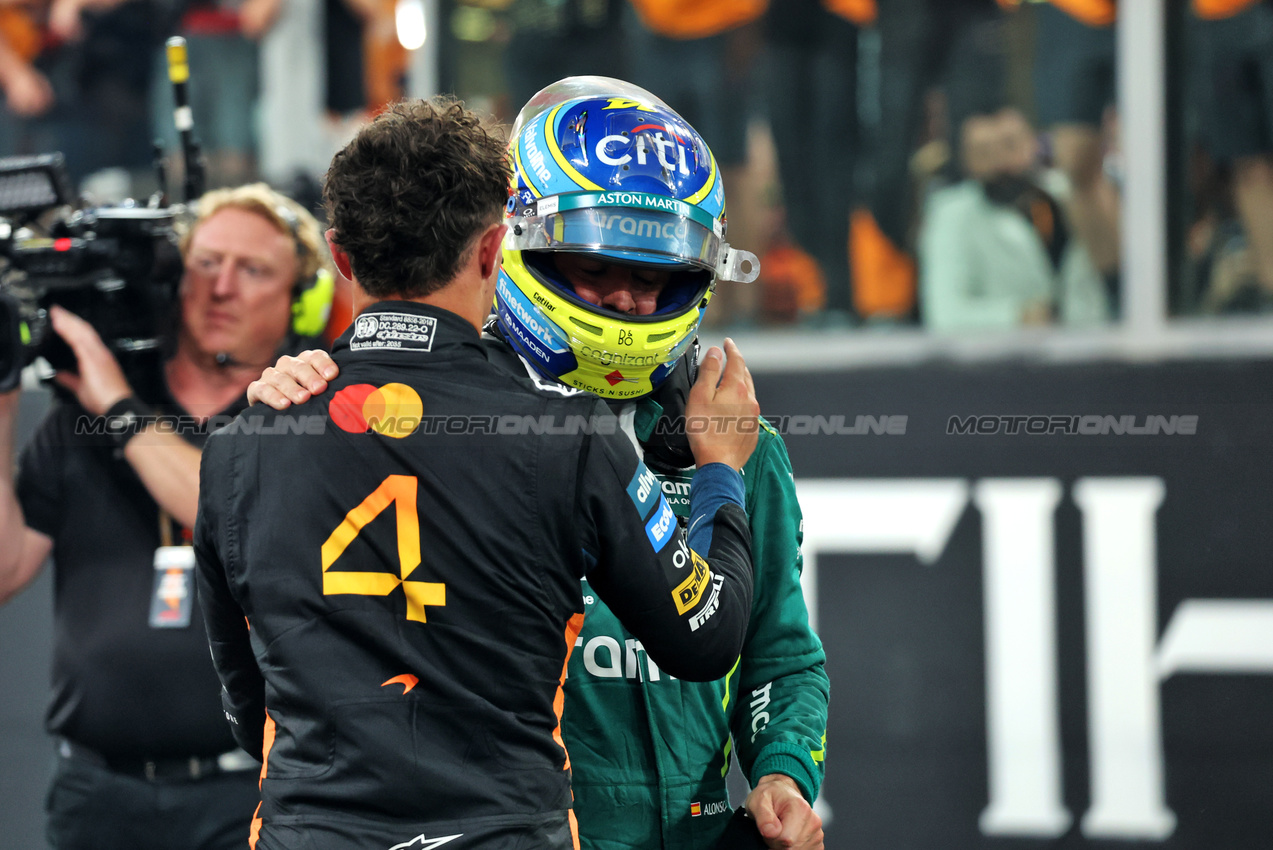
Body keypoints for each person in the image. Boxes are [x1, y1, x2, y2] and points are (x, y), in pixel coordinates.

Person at [249, 77, 829, 850]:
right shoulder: (438, 421)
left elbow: (780, 655)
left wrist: (783, 773)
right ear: (513, 249)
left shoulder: (732, 438)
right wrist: (301, 393)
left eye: (653, 277)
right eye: (598, 269)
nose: (627, 300)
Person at [0, 182, 330, 850]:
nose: (221, 287)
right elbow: (6, 569)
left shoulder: (304, 416)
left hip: (252, 793)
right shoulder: (81, 415)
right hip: (95, 793)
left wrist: (121, 410)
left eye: (253, 270)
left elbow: (226, 517)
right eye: (205, 263)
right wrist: (5, 396)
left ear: (301, 300)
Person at [919, 107, 1110, 331]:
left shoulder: (1066, 197)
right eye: (984, 152)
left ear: (1032, 143)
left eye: (1010, 145)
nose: (1000, 162)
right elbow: (945, 314)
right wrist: (1019, 316)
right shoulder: (951, 214)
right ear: (966, 160)